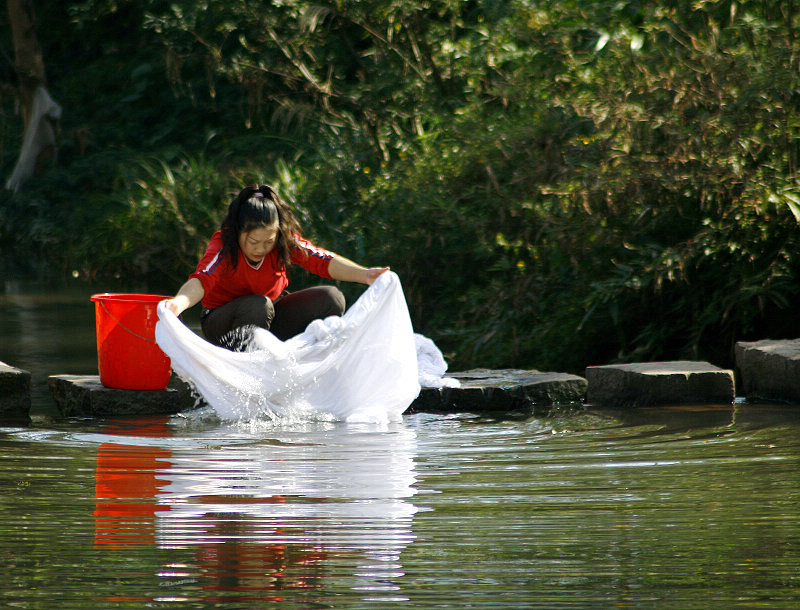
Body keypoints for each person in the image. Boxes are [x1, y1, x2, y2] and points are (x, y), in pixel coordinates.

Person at [163, 184, 388, 348]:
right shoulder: (224, 245)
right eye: (253, 242)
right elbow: (202, 279)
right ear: (239, 232)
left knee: (332, 297)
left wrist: (365, 274)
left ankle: (303, 360)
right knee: (258, 305)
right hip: (224, 325)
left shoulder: (284, 241)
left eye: (268, 242)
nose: (261, 249)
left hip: (268, 318)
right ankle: (246, 364)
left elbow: (322, 260)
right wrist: (178, 304)